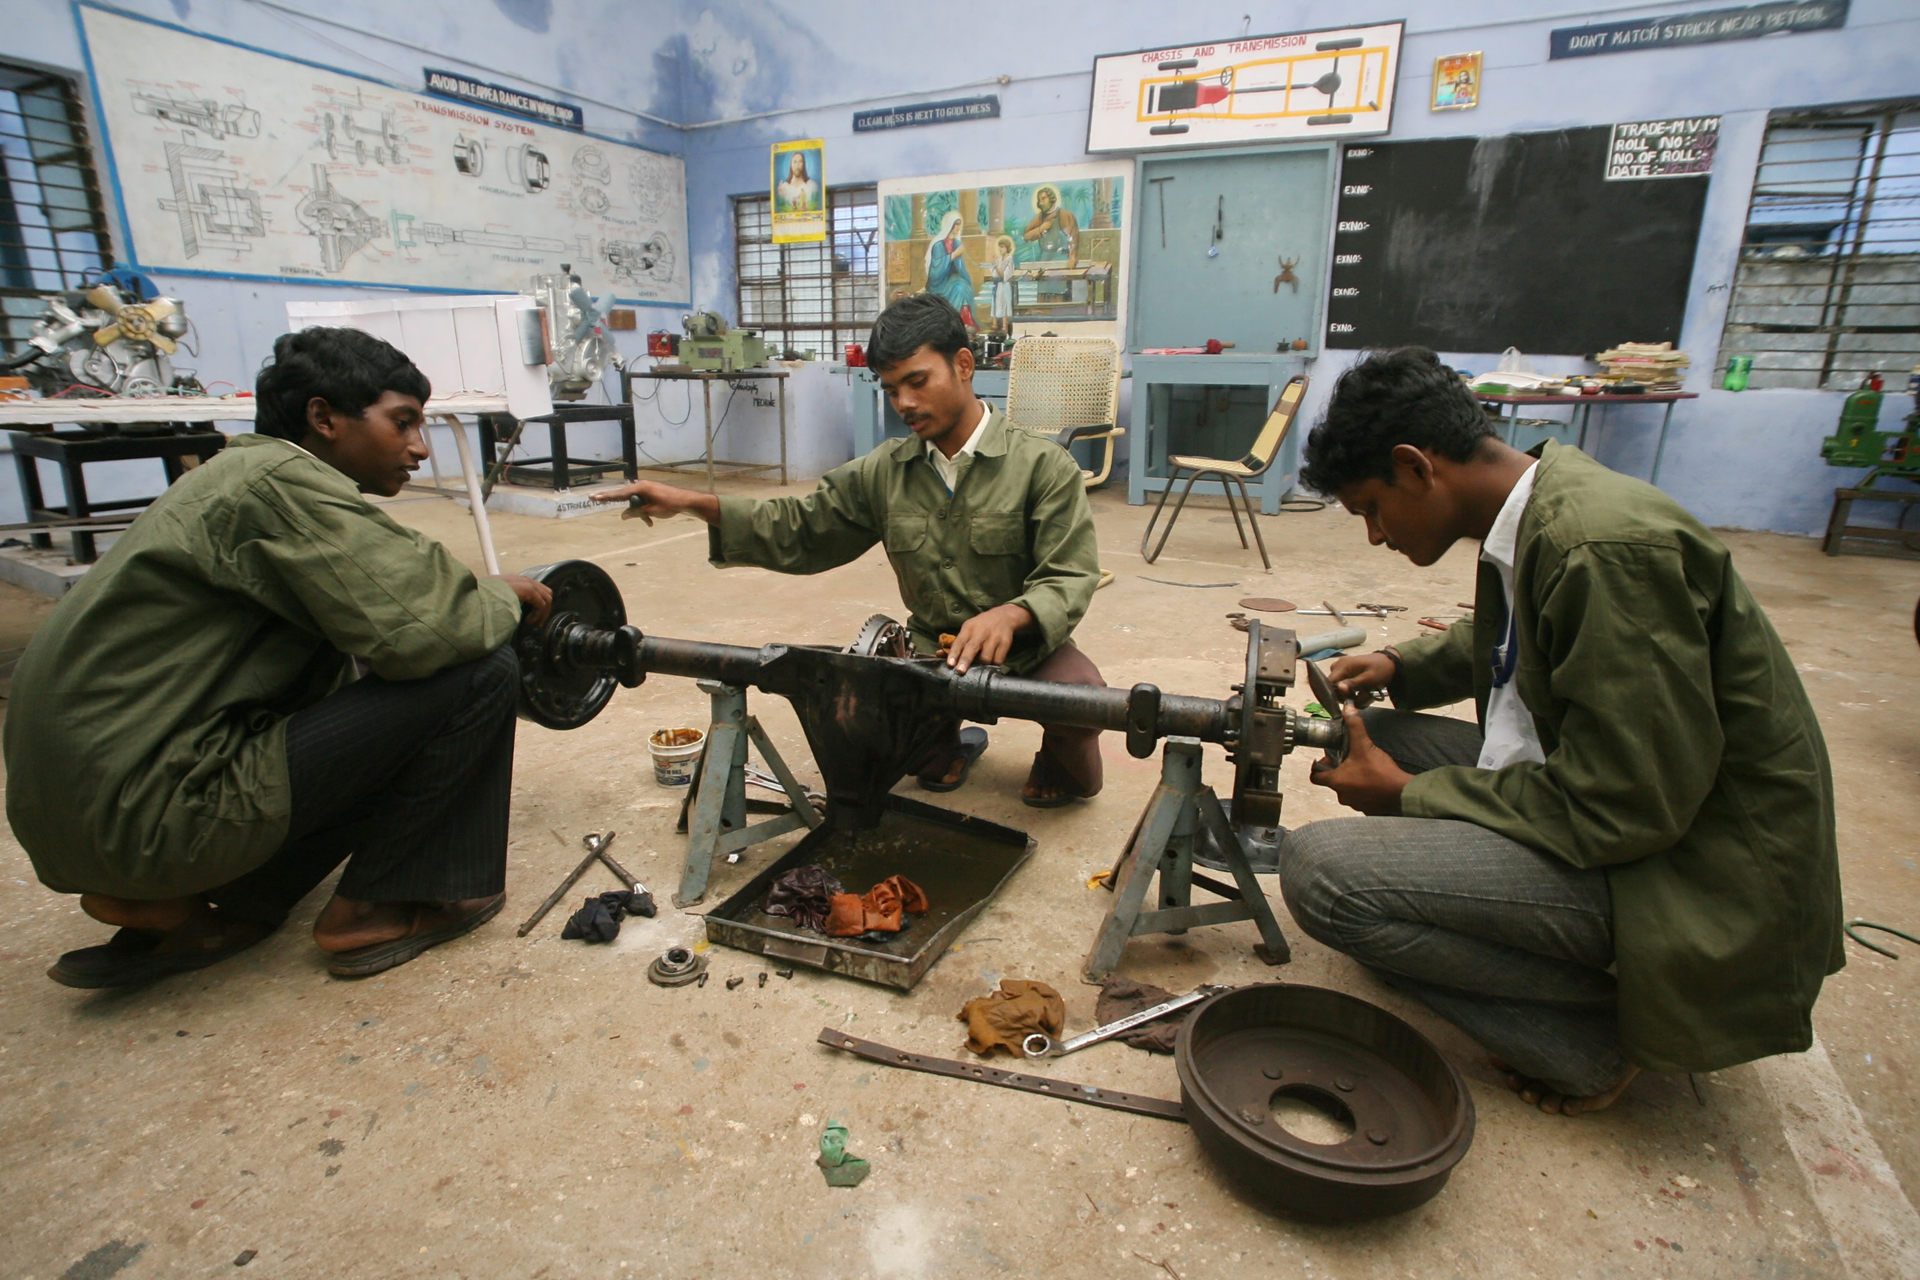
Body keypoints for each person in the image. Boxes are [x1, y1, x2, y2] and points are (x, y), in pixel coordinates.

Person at [1278, 346, 1842, 1114]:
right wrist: (1399, 664)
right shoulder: (1541, 504)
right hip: (1631, 807)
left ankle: (1600, 1039)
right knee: (1377, 735)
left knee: (1324, 875)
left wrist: (1409, 795)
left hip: (1693, 871)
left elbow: (1624, 807)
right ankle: (1497, 948)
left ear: (1415, 466)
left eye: (1372, 508)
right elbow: (1522, 637)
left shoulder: (1600, 549)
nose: (1376, 535)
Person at [5, 327, 553, 988]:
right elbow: (426, 630)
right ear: (323, 418)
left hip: (79, 817)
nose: (418, 447)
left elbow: (389, 602)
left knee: (360, 681)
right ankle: (376, 908)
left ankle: (186, 903)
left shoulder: (233, 475)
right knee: (478, 671)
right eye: (402, 422)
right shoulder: (278, 485)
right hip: (148, 813)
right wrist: (500, 599)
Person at [593, 293, 1104, 805]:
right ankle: (942, 744)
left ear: (964, 365)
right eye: (891, 389)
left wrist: (1012, 615)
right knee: (867, 729)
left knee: (1082, 700)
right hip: (930, 653)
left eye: (917, 381)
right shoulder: (885, 471)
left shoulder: (1043, 466)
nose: (904, 403)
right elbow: (802, 527)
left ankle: (1056, 760)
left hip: (1028, 651)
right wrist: (692, 502)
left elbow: (1068, 575)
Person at [924, 210, 977, 328]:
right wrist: (954, 254)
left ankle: (964, 322)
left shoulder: (957, 243)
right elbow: (935, 270)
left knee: (964, 286)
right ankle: (952, 322)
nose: (958, 227)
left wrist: (966, 278)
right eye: (956, 224)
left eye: (959, 224)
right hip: (941, 282)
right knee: (960, 288)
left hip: (955, 278)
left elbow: (960, 266)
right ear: (950, 225)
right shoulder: (938, 245)